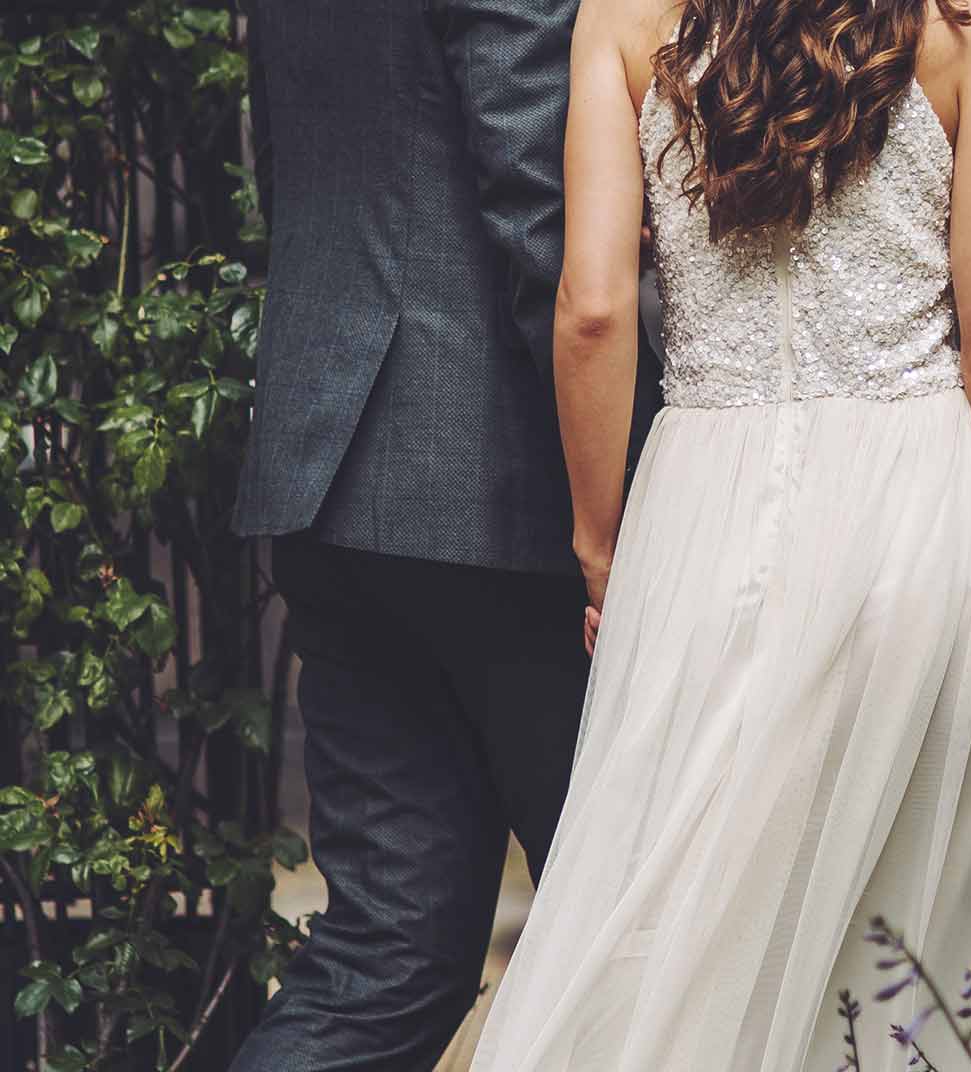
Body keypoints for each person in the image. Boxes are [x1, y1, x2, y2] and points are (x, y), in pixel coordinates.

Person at [470, 0, 971, 1067]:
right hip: (927, 525)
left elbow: (589, 306)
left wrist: (603, 553)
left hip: (702, 519)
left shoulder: (623, 21)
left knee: (687, 936)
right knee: (939, 968)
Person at [228, 0, 657, 1067]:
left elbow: (288, 155)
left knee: (385, 956)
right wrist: (639, 495)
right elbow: (545, 214)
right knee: (636, 930)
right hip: (501, 495)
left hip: (326, 464)